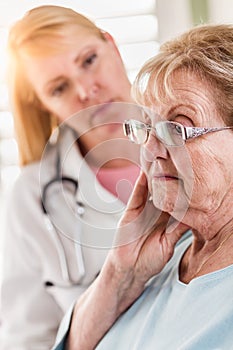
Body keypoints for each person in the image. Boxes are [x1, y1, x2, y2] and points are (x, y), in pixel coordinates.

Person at [53, 23, 233, 350]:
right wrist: (118, 275)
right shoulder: (158, 256)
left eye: (177, 129)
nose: (148, 150)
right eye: (146, 128)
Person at [0, 5, 142, 349]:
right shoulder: (34, 199)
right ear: (44, 104)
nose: (86, 91)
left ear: (112, 46)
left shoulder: (204, 137)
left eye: (89, 60)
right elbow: (27, 340)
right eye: (59, 87)